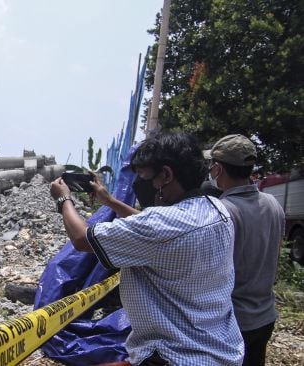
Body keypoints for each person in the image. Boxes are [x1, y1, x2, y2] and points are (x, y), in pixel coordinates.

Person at [50, 131, 244, 365]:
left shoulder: (161, 226)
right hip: (220, 350)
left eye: (144, 176)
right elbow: (153, 226)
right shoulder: (217, 210)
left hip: (175, 356)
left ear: (166, 174)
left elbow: (82, 239)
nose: (143, 184)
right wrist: (110, 202)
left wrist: (64, 200)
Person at [208, 134, 285, 366]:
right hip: (264, 316)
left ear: (218, 168)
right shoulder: (272, 203)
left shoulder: (224, 211)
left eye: (212, 165)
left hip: (234, 322)